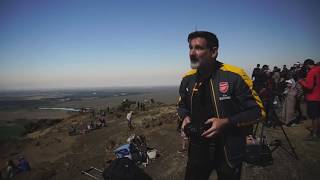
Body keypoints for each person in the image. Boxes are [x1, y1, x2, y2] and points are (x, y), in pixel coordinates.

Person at [177, 31, 265, 180]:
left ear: (213, 51)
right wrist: (185, 117)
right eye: (190, 47)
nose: (192, 53)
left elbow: (258, 112)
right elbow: (181, 105)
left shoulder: (234, 76)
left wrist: (226, 122)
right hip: (198, 148)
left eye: (198, 48)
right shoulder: (187, 79)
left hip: (228, 148)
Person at [298, 59, 320, 138]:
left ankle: (314, 134)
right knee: (318, 116)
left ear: (307, 64)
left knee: (314, 117)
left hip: (313, 97)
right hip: (318, 96)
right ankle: (317, 131)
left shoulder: (312, 72)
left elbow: (309, 86)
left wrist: (301, 81)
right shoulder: (318, 69)